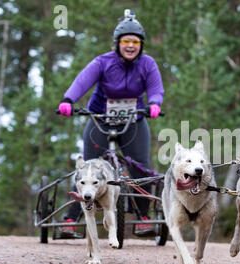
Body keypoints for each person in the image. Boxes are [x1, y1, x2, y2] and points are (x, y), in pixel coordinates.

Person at [57, 9, 164, 238]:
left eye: (135, 42)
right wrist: (68, 100)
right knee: (89, 168)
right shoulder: (103, 62)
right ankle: (70, 219)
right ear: (117, 43)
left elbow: (156, 89)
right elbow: (82, 81)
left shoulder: (148, 64)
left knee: (138, 167)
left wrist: (155, 104)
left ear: (141, 45)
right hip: (100, 120)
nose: (130, 46)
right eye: (126, 41)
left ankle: (144, 218)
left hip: (132, 122)